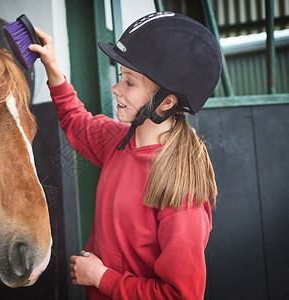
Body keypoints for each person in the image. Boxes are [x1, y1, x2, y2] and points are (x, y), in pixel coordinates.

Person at [29, 11, 222, 300]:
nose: (116, 89)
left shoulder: (182, 191)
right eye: (121, 77)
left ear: (166, 101)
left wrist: (102, 278)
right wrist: (53, 67)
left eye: (130, 83)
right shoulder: (117, 140)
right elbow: (75, 119)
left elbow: (181, 295)